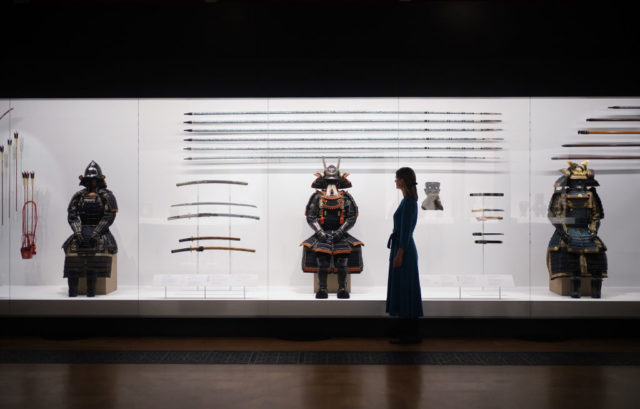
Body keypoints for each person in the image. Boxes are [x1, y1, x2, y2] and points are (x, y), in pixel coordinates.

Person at [62, 161, 118, 297]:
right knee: (70, 250)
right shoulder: (79, 196)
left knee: (99, 253)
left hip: (101, 232)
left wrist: (97, 231)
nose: (92, 182)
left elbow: (109, 216)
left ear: (98, 180)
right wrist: (77, 231)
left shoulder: (106, 195)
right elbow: (72, 215)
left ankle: (92, 291)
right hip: (81, 230)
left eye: (94, 179)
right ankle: (73, 291)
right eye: (89, 180)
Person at [386, 167, 423, 343]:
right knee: (403, 288)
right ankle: (407, 333)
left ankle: (409, 335)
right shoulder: (407, 201)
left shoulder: (408, 203)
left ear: (403, 180)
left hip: (404, 250)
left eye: (397, 178)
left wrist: (400, 254)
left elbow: (407, 231)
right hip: (402, 248)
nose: (395, 180)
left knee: (406, 289)